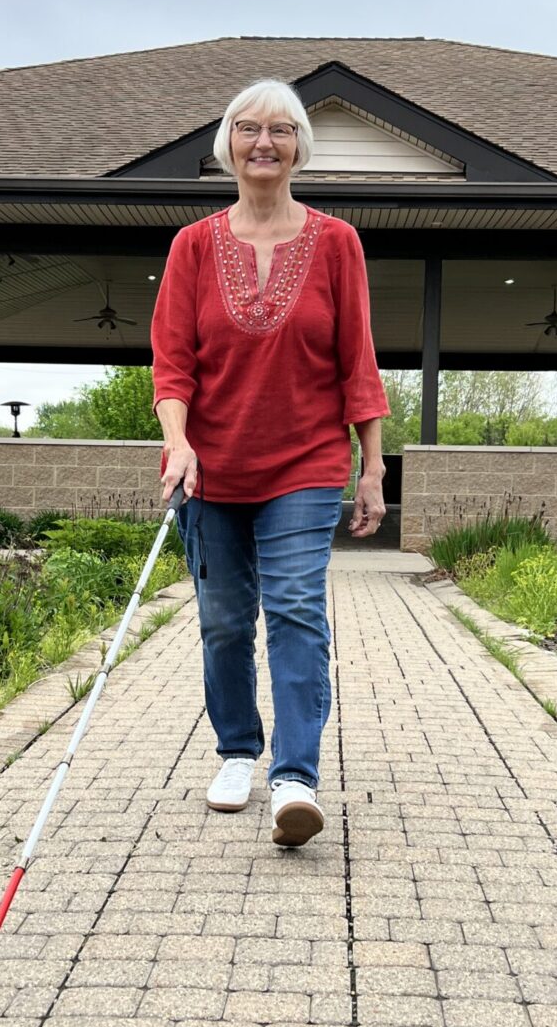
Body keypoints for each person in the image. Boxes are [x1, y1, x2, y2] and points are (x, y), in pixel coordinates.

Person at [151, 78, 389, 848]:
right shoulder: (192, 245)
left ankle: (295, 776)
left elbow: (359, 363)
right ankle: (236, 751)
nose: (264, 142)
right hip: (211, 470)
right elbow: (172, 366)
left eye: (281, 130)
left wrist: (373, 467)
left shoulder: (336, 243)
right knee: (223, 622)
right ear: (227, 144)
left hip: (306, 463)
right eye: (248, 129)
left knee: (294, 612)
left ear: (299, 148)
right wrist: (179, 442)